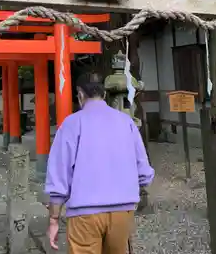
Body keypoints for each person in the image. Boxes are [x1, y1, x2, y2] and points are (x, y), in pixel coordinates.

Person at [44, 72, 154, 253]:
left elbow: (59, 175)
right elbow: (143, 171)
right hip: (122, 210)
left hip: (84, 213)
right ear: (103, 94)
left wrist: (54, 219)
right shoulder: (126, 121)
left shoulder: (71, 124)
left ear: (80, 95)